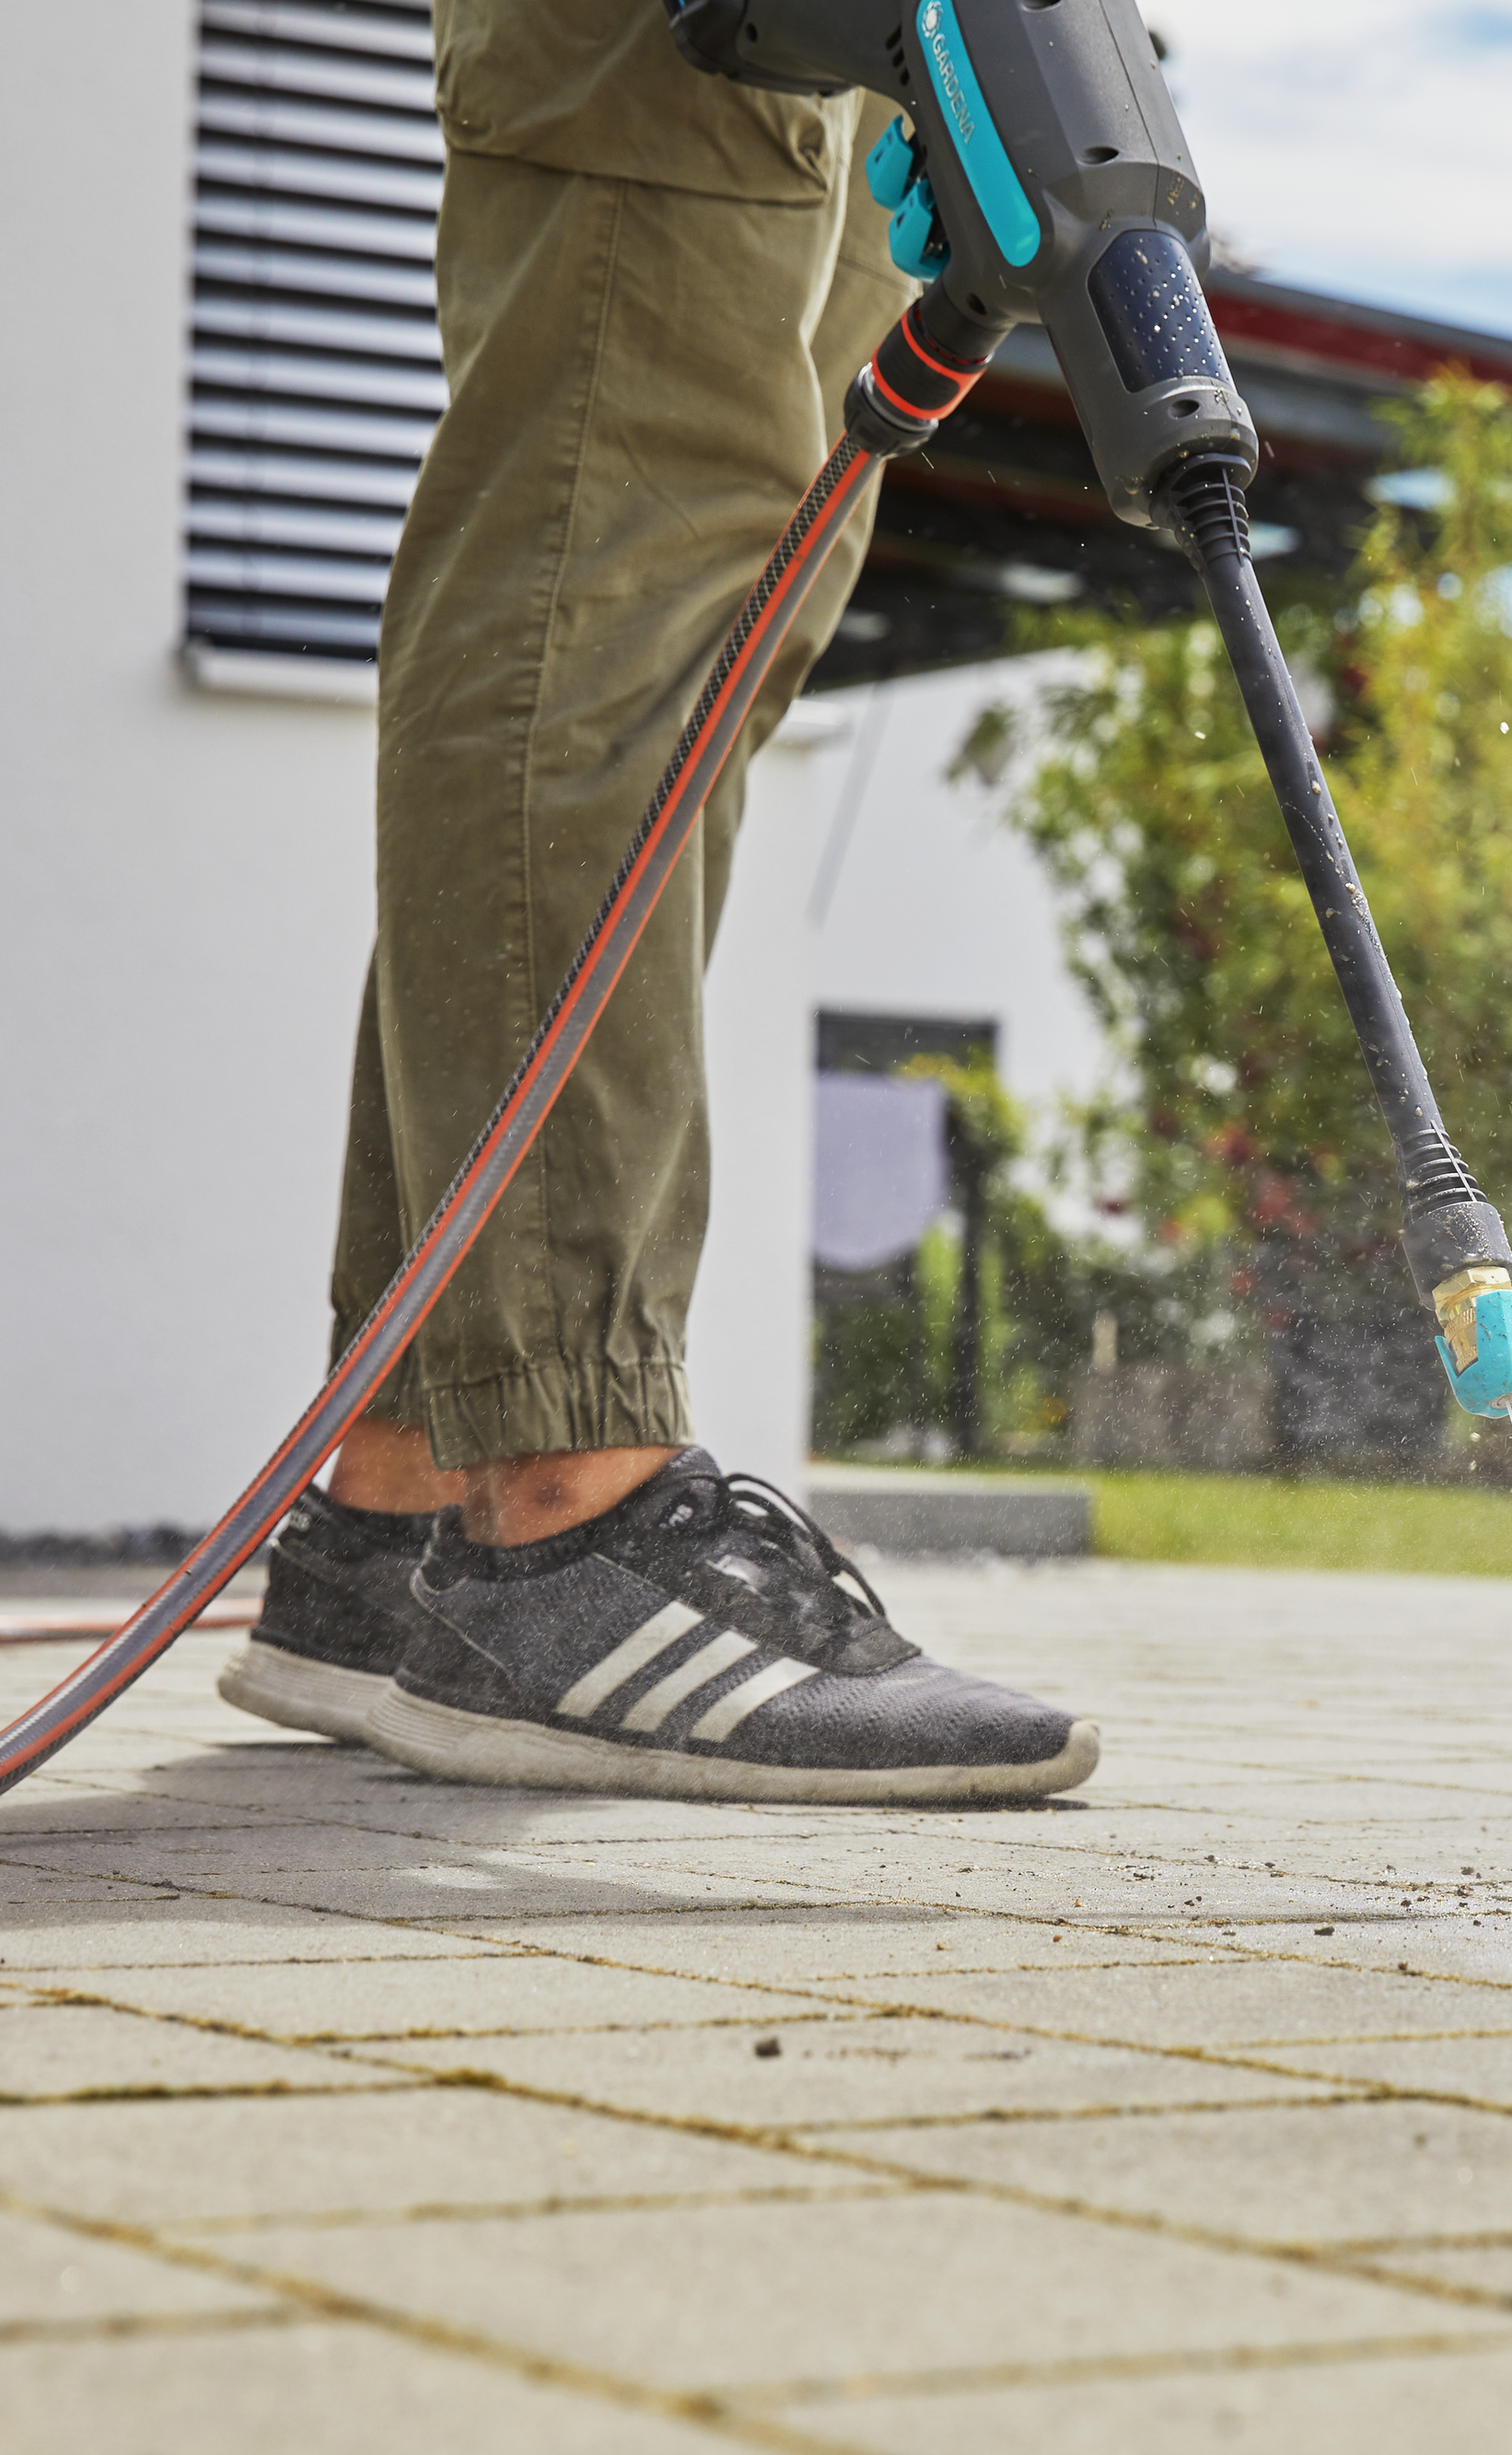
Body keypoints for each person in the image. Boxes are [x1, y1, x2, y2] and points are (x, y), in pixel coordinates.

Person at [213, 2, 1096, 1804]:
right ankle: (563, 1515)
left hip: (870, 56)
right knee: (600, 598)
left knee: (704, 649)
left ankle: (401, 1507)